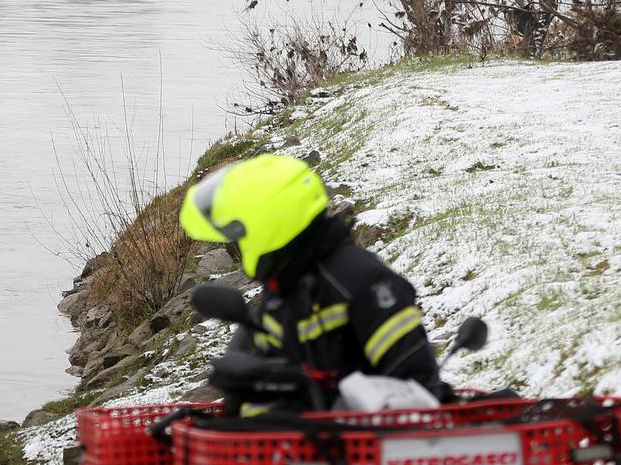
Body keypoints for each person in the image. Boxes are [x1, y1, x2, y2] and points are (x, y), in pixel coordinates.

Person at [178, 154, 445, 398]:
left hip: (363, 444)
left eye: (238, 236)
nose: (236, 246)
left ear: (268, 226)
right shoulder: (287, 286)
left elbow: (415, 392)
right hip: (303, 444)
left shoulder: (363, 283)